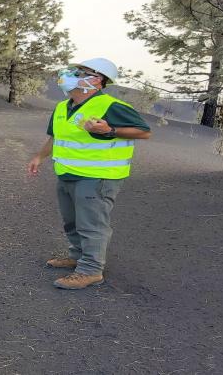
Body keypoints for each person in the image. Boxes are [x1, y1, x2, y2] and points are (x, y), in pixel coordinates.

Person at [26, 58, 152, 290]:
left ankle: (91, 270)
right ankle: (77, 257)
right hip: (67, 174)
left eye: (78, 71)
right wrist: (39, 157)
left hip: (98, 176)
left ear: (95, 80)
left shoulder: (111, 106)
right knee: (71, 221)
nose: (70, 74)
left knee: (91, 224)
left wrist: (110, 130)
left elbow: (144, 132)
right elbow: (56, 138)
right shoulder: (63, 107)